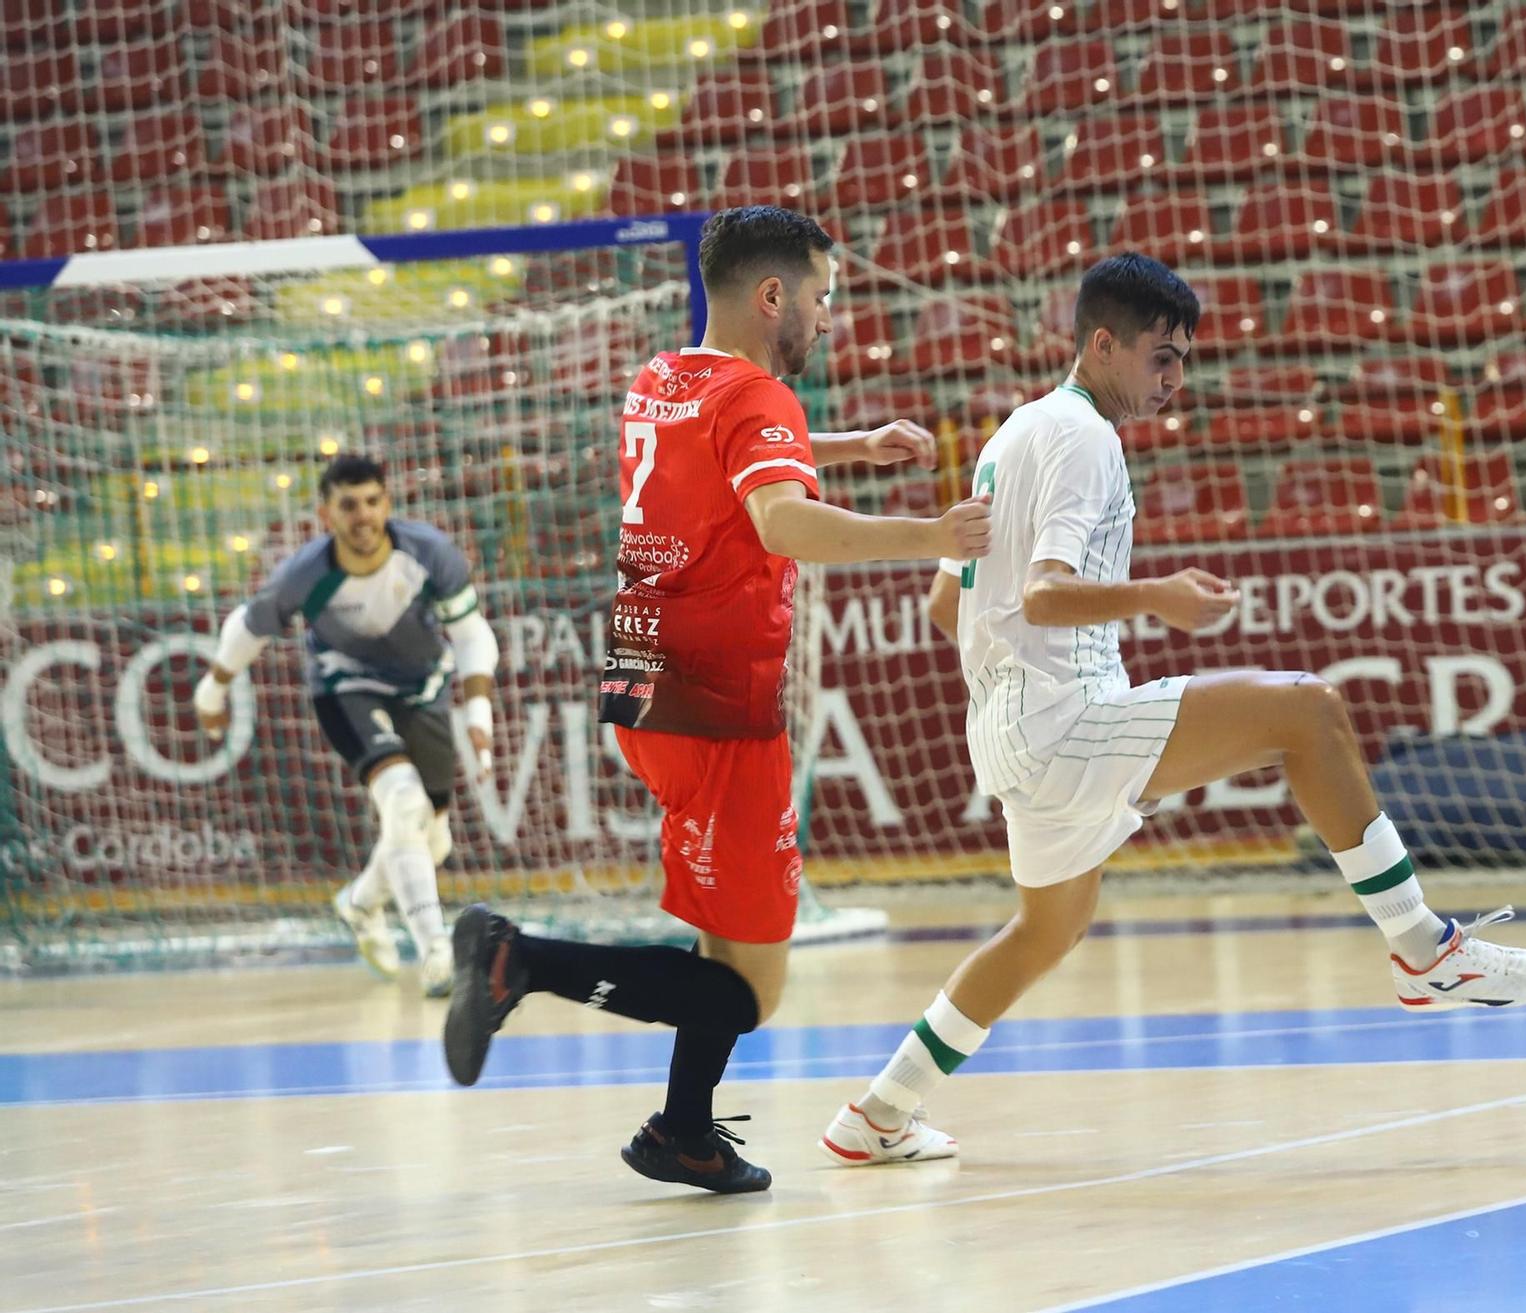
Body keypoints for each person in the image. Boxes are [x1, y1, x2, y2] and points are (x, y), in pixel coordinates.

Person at [819, 253, 1526, 1167]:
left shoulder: (1013, 433)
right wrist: (1152, 596)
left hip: (1011, 731)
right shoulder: (1086, 439)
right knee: (1309, 712)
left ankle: (878, 1112)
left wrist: (1076, 725)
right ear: (1101, 344)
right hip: (1062, 719)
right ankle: (1425, 950)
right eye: (1161, 357)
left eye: (1183, 359)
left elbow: (945, 605)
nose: (1175, 379)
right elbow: (1044, 596)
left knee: (1046, 930)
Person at [441, 205, 993, 1194]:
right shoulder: (758, 398)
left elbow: (733, 446)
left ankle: (683, 1132)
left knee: (717, 929)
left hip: (639, 672)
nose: (826, 318)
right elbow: (780, 522)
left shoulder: (661, 379)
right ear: (771, 293)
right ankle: (515, 959)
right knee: (747, 986)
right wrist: (931, 534)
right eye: (820, 296)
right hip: (718, 702)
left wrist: (851, 445)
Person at [191, 452, 501, 998]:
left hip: (424, 688)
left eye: (372, 502)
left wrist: (477, 709)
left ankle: (360, 903)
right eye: (348, 505)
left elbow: (473, 633)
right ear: (326, 514)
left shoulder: (428, 554)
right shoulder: (305, 574)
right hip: (345, 689)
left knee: (430, 839)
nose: (362, 516)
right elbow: (248, 626)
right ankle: (435, 951)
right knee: (403, 804)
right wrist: (212, 688)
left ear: (388, 503)